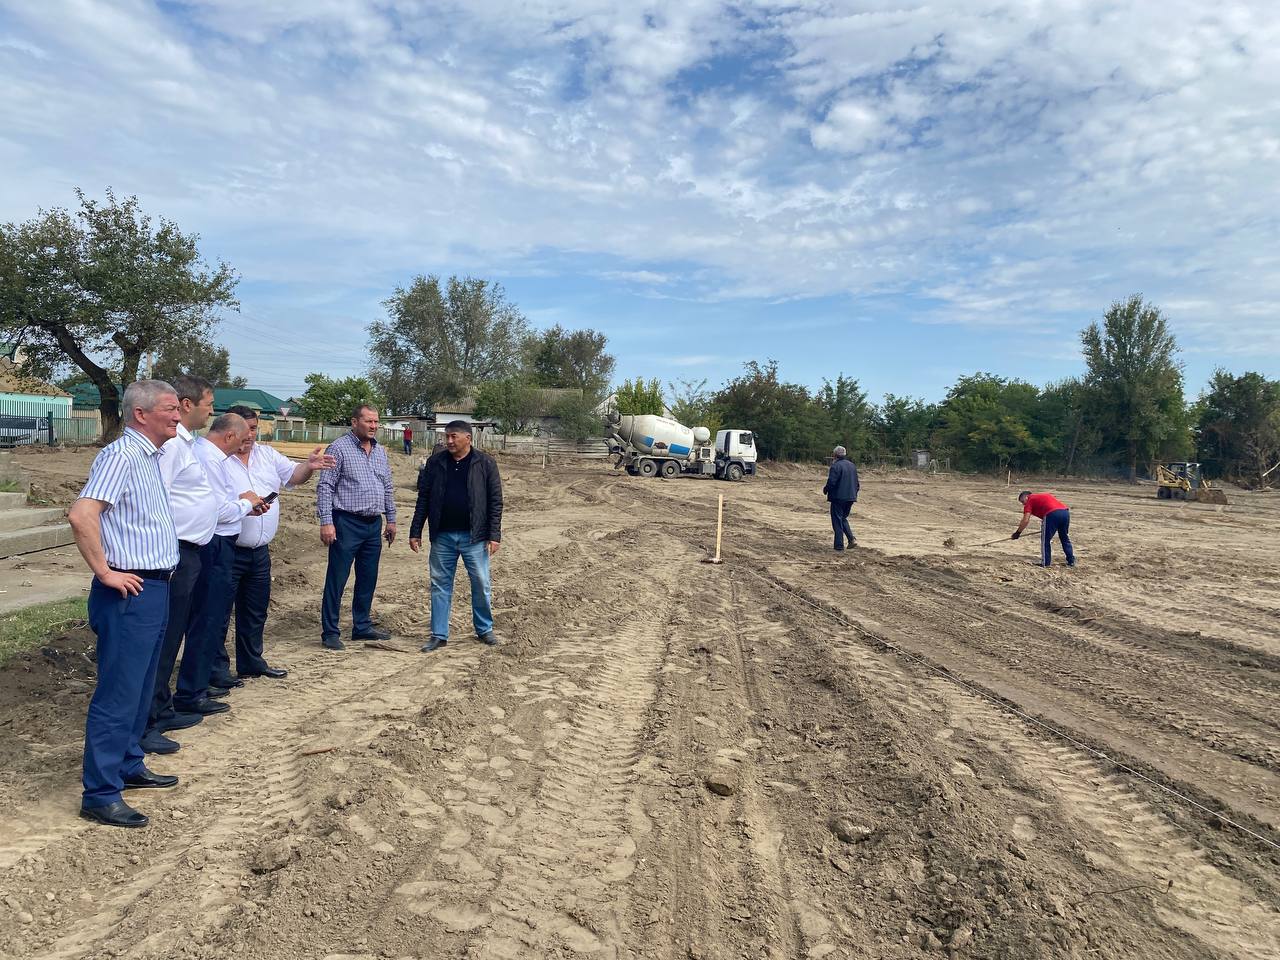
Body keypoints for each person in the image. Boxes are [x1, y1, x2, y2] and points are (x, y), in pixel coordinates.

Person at [67, 380, 182, 828]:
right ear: (141, 414)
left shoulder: (148, 457)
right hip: (128, 592)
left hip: (155, 588)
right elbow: (82, 514)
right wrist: (105, 571)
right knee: (119, 693)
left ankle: (128, 763)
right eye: (170, 409)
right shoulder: (122, 455)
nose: (178, 416)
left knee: (141, 685)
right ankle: (100, 793)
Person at [216, 405, 334, 680]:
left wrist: (309, 466)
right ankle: (216, 670)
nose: (250, 436)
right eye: (245, 430)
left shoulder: (266, 455)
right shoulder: (216, 460)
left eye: (254, 429)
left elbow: (294, 475)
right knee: (219, 613)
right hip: (227, 549)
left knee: (255, 611)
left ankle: (251, 661)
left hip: (259, 551)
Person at [144, 376, 226, 756]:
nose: (212, 409)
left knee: (172, 634)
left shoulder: (186, 443)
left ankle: (160, 708)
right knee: (163, 639)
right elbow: (157, 497)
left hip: (189, 551)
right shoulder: (172, 446)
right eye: (208, 402)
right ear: (188, 404)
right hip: (174, 551)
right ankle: (148, 721)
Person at [179, 413, 266, 713]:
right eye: (243, 440)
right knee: (207, 619)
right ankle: (192, 691)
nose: (245, 446)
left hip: (220, 543)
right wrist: (247, 504)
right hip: (214, 543)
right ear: (229, 437)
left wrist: (242, 506)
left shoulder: (212, 457)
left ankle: (201, 683)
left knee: (212, 618)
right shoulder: (209, 459)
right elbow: (219, 510)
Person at [409, 420, 503, 652]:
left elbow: (495, 501)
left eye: (453, 437)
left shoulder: (485, 463)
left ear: (468, 439)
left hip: (475, 537)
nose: (448, 441)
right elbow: (424, 498)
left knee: (481, 583)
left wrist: (494, 534)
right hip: (442, 536)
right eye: (446, 437)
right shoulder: (435, 462)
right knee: (440, 584)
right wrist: (415, 530)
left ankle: (484, 629)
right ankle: (439, 634)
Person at [316, 404, 397, 650]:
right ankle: (330, 631)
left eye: (376, 422)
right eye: (368, 421)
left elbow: (387, 486)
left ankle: (361, 626)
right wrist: (326, 522)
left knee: (367, 577)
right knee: (337, 578)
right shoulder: (338, 449)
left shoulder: (380, 451)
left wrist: (391, 518)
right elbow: (325, 487)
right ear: (354, 422)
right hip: (346, 523)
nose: (373, 426)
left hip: (373, 524)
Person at [1013, 490, 1076, 568]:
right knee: (1064, 538)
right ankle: (1071, 561)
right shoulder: (1042, 496)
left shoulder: (1030, 500)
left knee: (1045, 540)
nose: (1023, 504)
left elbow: (1025, 520)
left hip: (1052, 514)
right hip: (1065, 512)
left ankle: (1045, 563)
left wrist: (1018, 532)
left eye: (1023, 501)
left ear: (1026, 497)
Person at [823, 445, 860, 551]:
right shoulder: (852, 466)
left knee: (837, 521)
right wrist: (854, 493)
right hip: (851, 497)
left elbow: (832, 482)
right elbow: (857, 484)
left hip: (838, 497)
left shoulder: (835, 466)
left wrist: (826, 489)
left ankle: (839, 546)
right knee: (842, 518)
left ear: (835, 455)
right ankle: (851, 539)